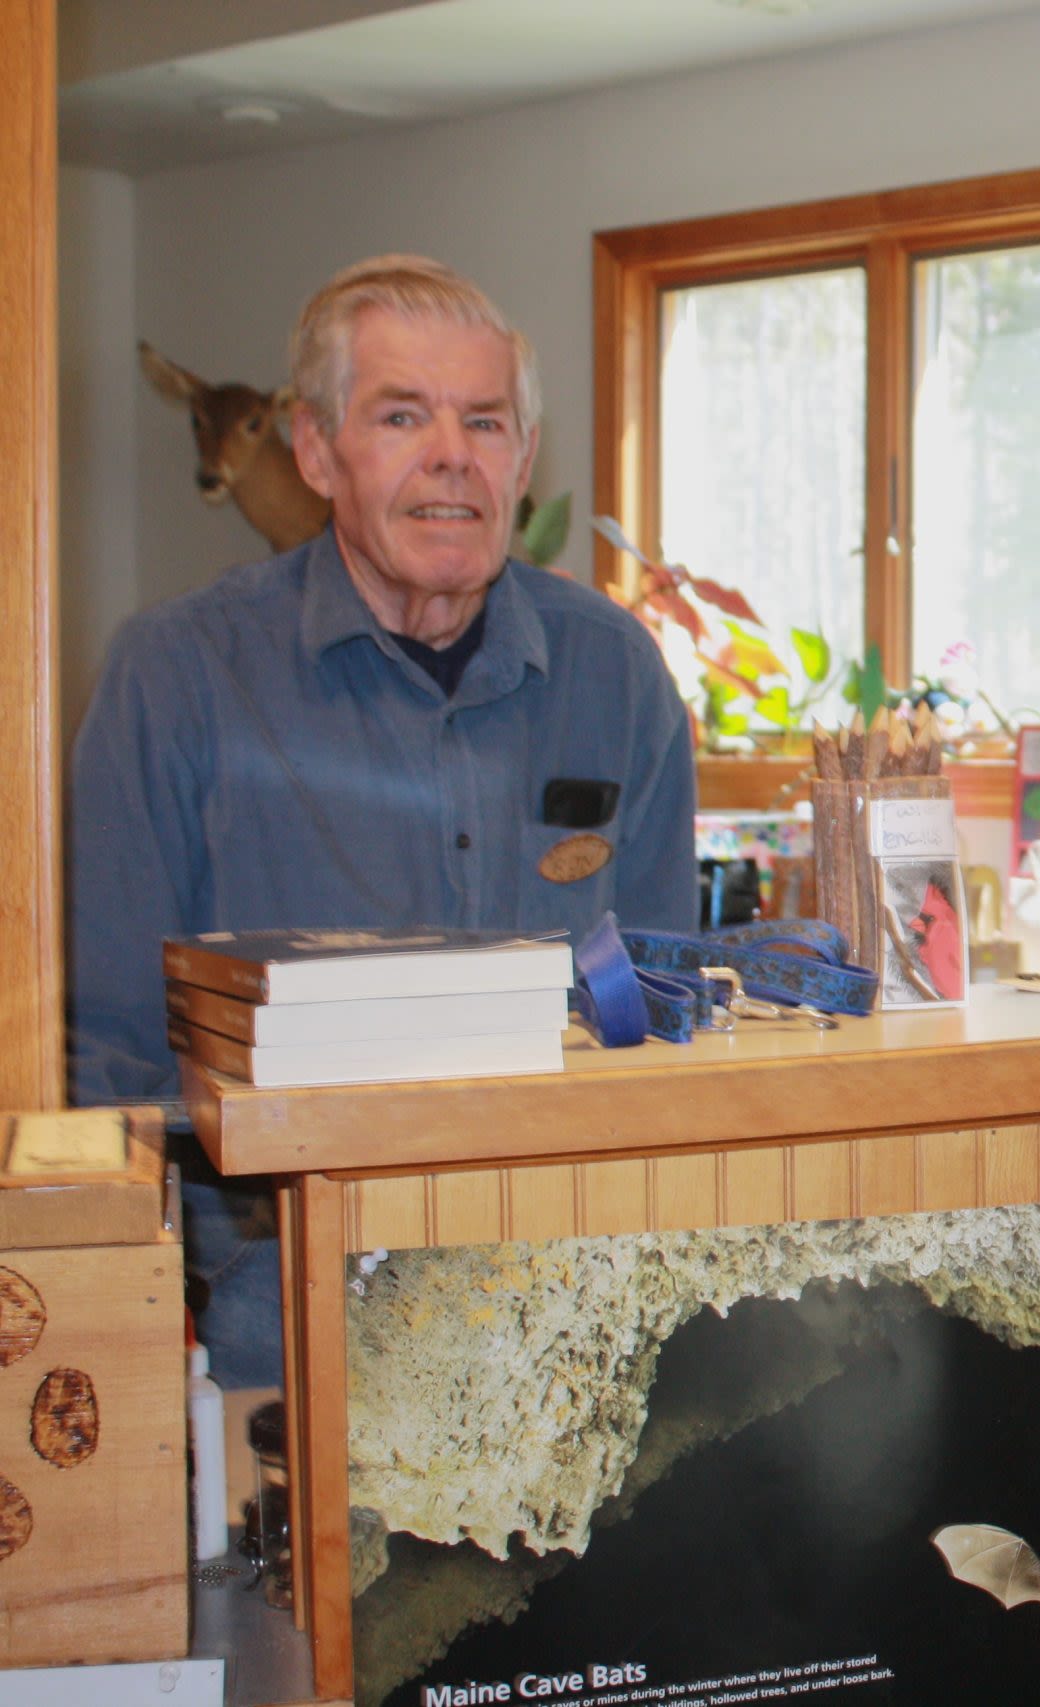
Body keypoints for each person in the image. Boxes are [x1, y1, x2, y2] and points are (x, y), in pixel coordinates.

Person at [68, 255, 697, 1383]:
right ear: (316, 451)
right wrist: (134, 1328)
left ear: (523, 456)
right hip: (272, 1346)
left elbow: (658, 1013)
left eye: (486, 422)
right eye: (402, 415)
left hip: (568, 1323)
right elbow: (109, 1055)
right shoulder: (176, 677)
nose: (452, 455)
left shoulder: (616, 673)